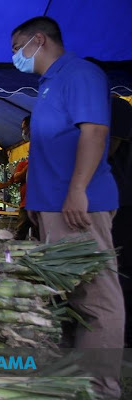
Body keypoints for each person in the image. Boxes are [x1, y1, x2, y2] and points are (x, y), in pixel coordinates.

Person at [11, 16, 123, 398]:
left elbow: (94, 131)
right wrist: (35, 205)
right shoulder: (48, 84)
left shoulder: (80, 74)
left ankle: (100, 387)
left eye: (17, 48)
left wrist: (78, 189)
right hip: (53, 207)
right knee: (70, 296)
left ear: (38, 40)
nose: (15, 57)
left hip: (78, 206)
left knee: (96, 297)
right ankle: (74, 378)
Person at [108, 96, 132, 346]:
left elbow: (109, 146)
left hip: (122, 200)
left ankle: (123, 337)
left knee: (120, 270)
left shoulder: (117, 107)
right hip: (114, 197)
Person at [12, 115, 37, 240]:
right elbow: (15, 178)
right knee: (19, 234)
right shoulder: (24, 163)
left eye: (25, 128)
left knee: (39, 234)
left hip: (40, 203)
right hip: (25, 204)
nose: (24, 132)